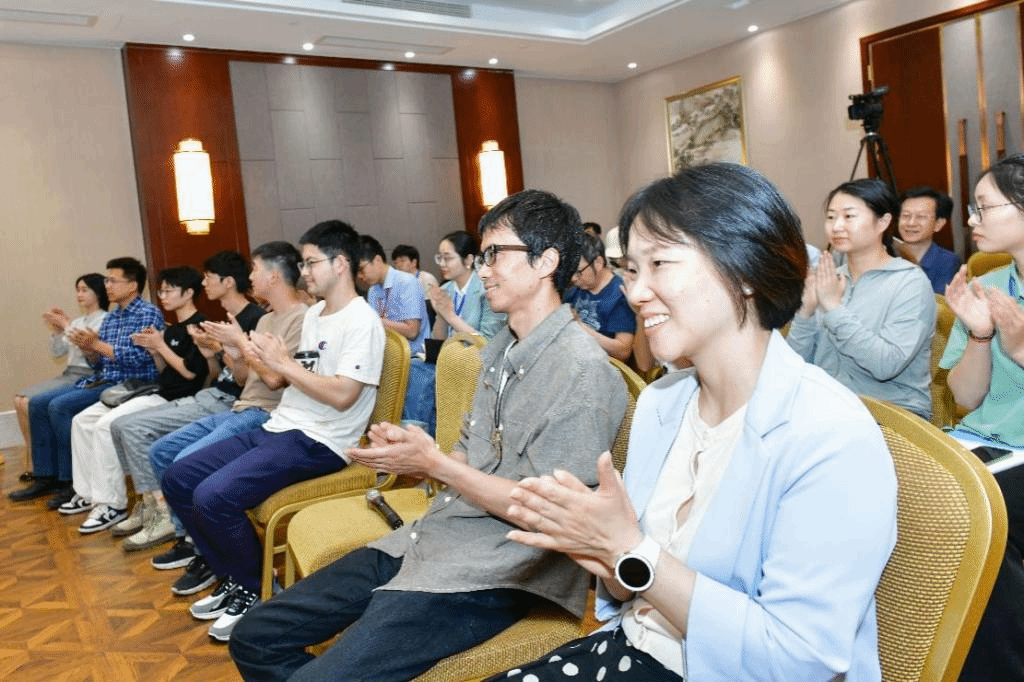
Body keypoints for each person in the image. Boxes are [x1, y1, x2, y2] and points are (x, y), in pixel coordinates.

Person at [489, 163, 898, 682]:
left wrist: (629, 550)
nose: (636, 293)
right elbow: (630, 588)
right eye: (632, 270)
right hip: (628, 649)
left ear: (745, 271)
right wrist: (606, 552)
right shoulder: (662, 404)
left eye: (660, 263)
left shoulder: (830, 435)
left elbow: (798, 660)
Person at [228, 189, 628, 682]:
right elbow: (469, 454)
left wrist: (436, 465)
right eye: (482, 255)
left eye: (495, 254)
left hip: (497, 571)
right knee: (255, 635)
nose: (482, 270)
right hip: (430, 536)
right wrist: (418, 457)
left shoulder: (582, 373)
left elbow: (551, 513)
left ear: (546, 261)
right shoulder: (500, 351)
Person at [162, 220, 385, 641]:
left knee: (213, 496)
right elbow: (286, 378)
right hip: (281, 425)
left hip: (321, 440)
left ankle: (258, 592)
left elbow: (343, 395)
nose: (304, 272)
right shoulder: (315, 314)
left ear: (340, 263)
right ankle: (234, 576)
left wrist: (282, 364)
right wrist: (265, 358)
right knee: (178, 477)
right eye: (303, 263)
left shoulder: (362, 320)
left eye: (311, 263)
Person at [140, 243, 306, 593]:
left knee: (184, 464)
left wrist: (239, 344)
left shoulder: (302, 318)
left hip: (265, 413)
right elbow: (245, 379)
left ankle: (214, 557)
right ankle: (195, 543)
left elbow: (276, 381)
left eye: (255, 269)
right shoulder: (265, 319)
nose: (250, 276)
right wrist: (230, 352)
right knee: (161, 452)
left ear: (274, 275)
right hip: (241, 405)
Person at [106, 249, 268, 551]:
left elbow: (251, 381)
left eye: (208, 277)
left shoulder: (256, 319)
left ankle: (168, 517)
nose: (205, 283)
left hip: (233, 402)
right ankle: (153, 506)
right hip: (212, 395)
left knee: (138, 432)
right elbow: (216, 375)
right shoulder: (225, 320)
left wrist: (224, 350)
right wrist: (211, 354)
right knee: (122, 427)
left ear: (228, 282)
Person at [939, 154, 1024, 681]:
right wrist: (980, 334)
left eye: (983, 207)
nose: (971, 219)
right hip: (981, 439)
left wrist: (1021, 351)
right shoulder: (990, 285)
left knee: (978, 521)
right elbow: (967, 398)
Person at [63, 266, 208, 533]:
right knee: (81, 421)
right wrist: (155, 350)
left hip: (161, 392)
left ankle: (113, 504)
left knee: (107, 426)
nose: (163, 296)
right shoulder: (168, 328)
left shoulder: (197, 325)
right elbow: (163, 370)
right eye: (161, 291)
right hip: (151, 390)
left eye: (168, 291)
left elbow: (190, 373)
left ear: (188, 293)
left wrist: (157, 347)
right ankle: (90, 495)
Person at [9, 257, 164, 504]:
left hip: (131, 384)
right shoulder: (113, 317)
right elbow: (99, 364)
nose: (107, 285)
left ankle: (70, 480)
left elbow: (140, 357)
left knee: (59, 406)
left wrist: (96, 345)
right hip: (105, 379)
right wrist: (90, 350)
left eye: (113, 280)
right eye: (106, 280)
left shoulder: (147, 313)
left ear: (133, 285)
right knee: (37, 403)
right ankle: (45, 476)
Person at [787, 178, 935, 420]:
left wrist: (833, 309)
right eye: (831, 217)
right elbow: (795, 367)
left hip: (891, 417)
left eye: (849, 216)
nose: (837, 226)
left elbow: (885, 365)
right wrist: (805, 313)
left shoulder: (910, 282)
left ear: (883, 222)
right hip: (829, 411)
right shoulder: (830, 279)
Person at [402, 230, 507, 434]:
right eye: (439, 258)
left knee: (423, 376)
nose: (442, 263)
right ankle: (423, 435)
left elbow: (487, 342)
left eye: (448, 258)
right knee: (414, 367)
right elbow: (439, 339)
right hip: (451, 358)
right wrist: (441, 315)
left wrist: (450, 316)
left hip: (479, 361)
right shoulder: (446, 289)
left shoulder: (486, 289)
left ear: (468, 260)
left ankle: (421, 436)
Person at [13, 274, 108, 479]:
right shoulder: (78, 321)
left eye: (84, 290)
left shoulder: (105, 319)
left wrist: (66, 325)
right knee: (19, 400)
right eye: (77, 290)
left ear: (98, 293)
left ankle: (46, 464)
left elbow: (89, 349)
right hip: (68, 373)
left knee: (29, 402)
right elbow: (57, 353)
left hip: (88, 374)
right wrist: (58, 331)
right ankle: (34, 461)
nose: (79, 294)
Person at [564, 232, 636, 361]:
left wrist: (580, 326)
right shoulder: (577, 288)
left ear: (598, 262)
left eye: (578, 272)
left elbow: (623, 351)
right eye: (570, 273)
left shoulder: (620, 295)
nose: (573, 278)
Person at [358, 234, 430, 354]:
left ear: (377, 260)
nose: (360, 276)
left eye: (361, 269)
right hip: (388, 356)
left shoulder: (407, 282)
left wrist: (375, 321)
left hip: (413, 357)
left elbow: (412, 331)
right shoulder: (373, 290)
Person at [898, 186, 962, 293]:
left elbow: (938, 300)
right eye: (905, 215)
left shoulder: (948, 261)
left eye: (921, 216)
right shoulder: (886, 255)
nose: (911, 223)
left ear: (938, 224)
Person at [392, 243, 439, 329]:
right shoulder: (395, 283)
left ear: (414, 262)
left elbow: (429, 307)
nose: (398, 265)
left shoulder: (426, 279)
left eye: (402, 261)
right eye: (396, 262)